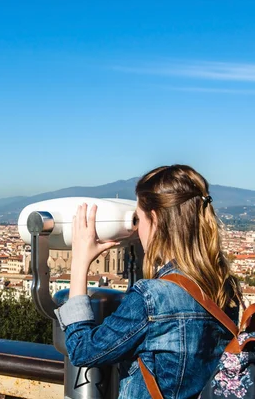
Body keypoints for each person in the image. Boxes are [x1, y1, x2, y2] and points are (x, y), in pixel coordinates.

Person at [54, 164, 242, 399]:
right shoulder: (225, 287)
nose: (137, 227)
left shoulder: (151, 297)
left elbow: (83, 351)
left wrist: (79, 261)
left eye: (138, 218)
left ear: (154, 218)